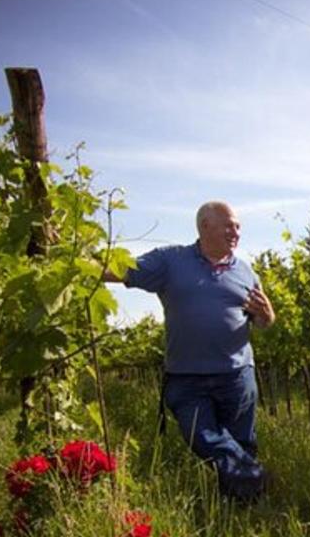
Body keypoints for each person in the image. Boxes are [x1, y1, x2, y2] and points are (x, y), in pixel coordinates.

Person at [103, 201, 275, 500]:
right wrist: (75, 263)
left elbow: (262, 322)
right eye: (229, 225)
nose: (236, 231)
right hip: (187, 378)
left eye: (238, 226)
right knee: (203, 437)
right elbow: (122, 271)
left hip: (237, 375)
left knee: (240, 444)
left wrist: (268, 314)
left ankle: (243, 507)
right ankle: (256, 477)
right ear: (204, 226)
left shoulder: (245, 271)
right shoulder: (171, 260)